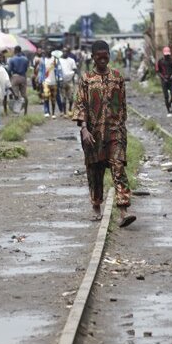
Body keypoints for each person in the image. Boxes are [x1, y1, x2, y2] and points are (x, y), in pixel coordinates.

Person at [72, 40, 136, 227]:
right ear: (92, 57)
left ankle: (123, 210)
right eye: (98, 57)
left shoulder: (117, 77)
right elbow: (80, 104)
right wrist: (83, 129)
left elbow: (123, 104)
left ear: (109, 55)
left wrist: (121, 127)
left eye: (105, 56)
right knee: (95, 171)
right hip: (92, 134)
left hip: (115, 132)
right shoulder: (86, 79)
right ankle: (96, 206)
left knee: (118, 168)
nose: (102, 60)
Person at [38, 50, 65, 118]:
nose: (47, 53)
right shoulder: (42, 60)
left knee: (54, 98)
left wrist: (60, 77)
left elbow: (59, 69)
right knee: (46, 96)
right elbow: (41, 71)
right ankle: (47, 112)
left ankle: (53, 113)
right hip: (46, 82)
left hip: (54, 82)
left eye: (49, 52)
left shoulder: (55, 60)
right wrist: (40, 80)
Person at [156, 46, 172, 117]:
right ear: (164, 54)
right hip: (164, 81)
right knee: (166, 96)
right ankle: (168, 110)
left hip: (171, 80)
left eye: (168, 54)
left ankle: (169, 103)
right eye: (166, 54)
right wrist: (163, 78)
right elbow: (158, 71)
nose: (167, 56)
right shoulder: (160, 61)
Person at [7, 46, 30, 114]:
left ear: (15, 51)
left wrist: (10, 77)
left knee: (16, 95)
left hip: (15, 77)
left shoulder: (12, 59)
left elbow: (9, 70)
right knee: (24, 95)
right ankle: (25, 111)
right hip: (23, 77)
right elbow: (26, 69)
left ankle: (16, 111)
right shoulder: (25, 59)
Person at [58, 49, 78, 113]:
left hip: (70, 81)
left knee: (71, 97)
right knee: (63, 98)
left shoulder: (71, 60)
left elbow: (75, 69)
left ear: (68, 52)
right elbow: (58, 71)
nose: (65, 52)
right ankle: (64, 112)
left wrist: (72, 75)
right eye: (63, 51)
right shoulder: (59, 61)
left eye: (66, 51)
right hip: (62, 81)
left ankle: (69, 109)